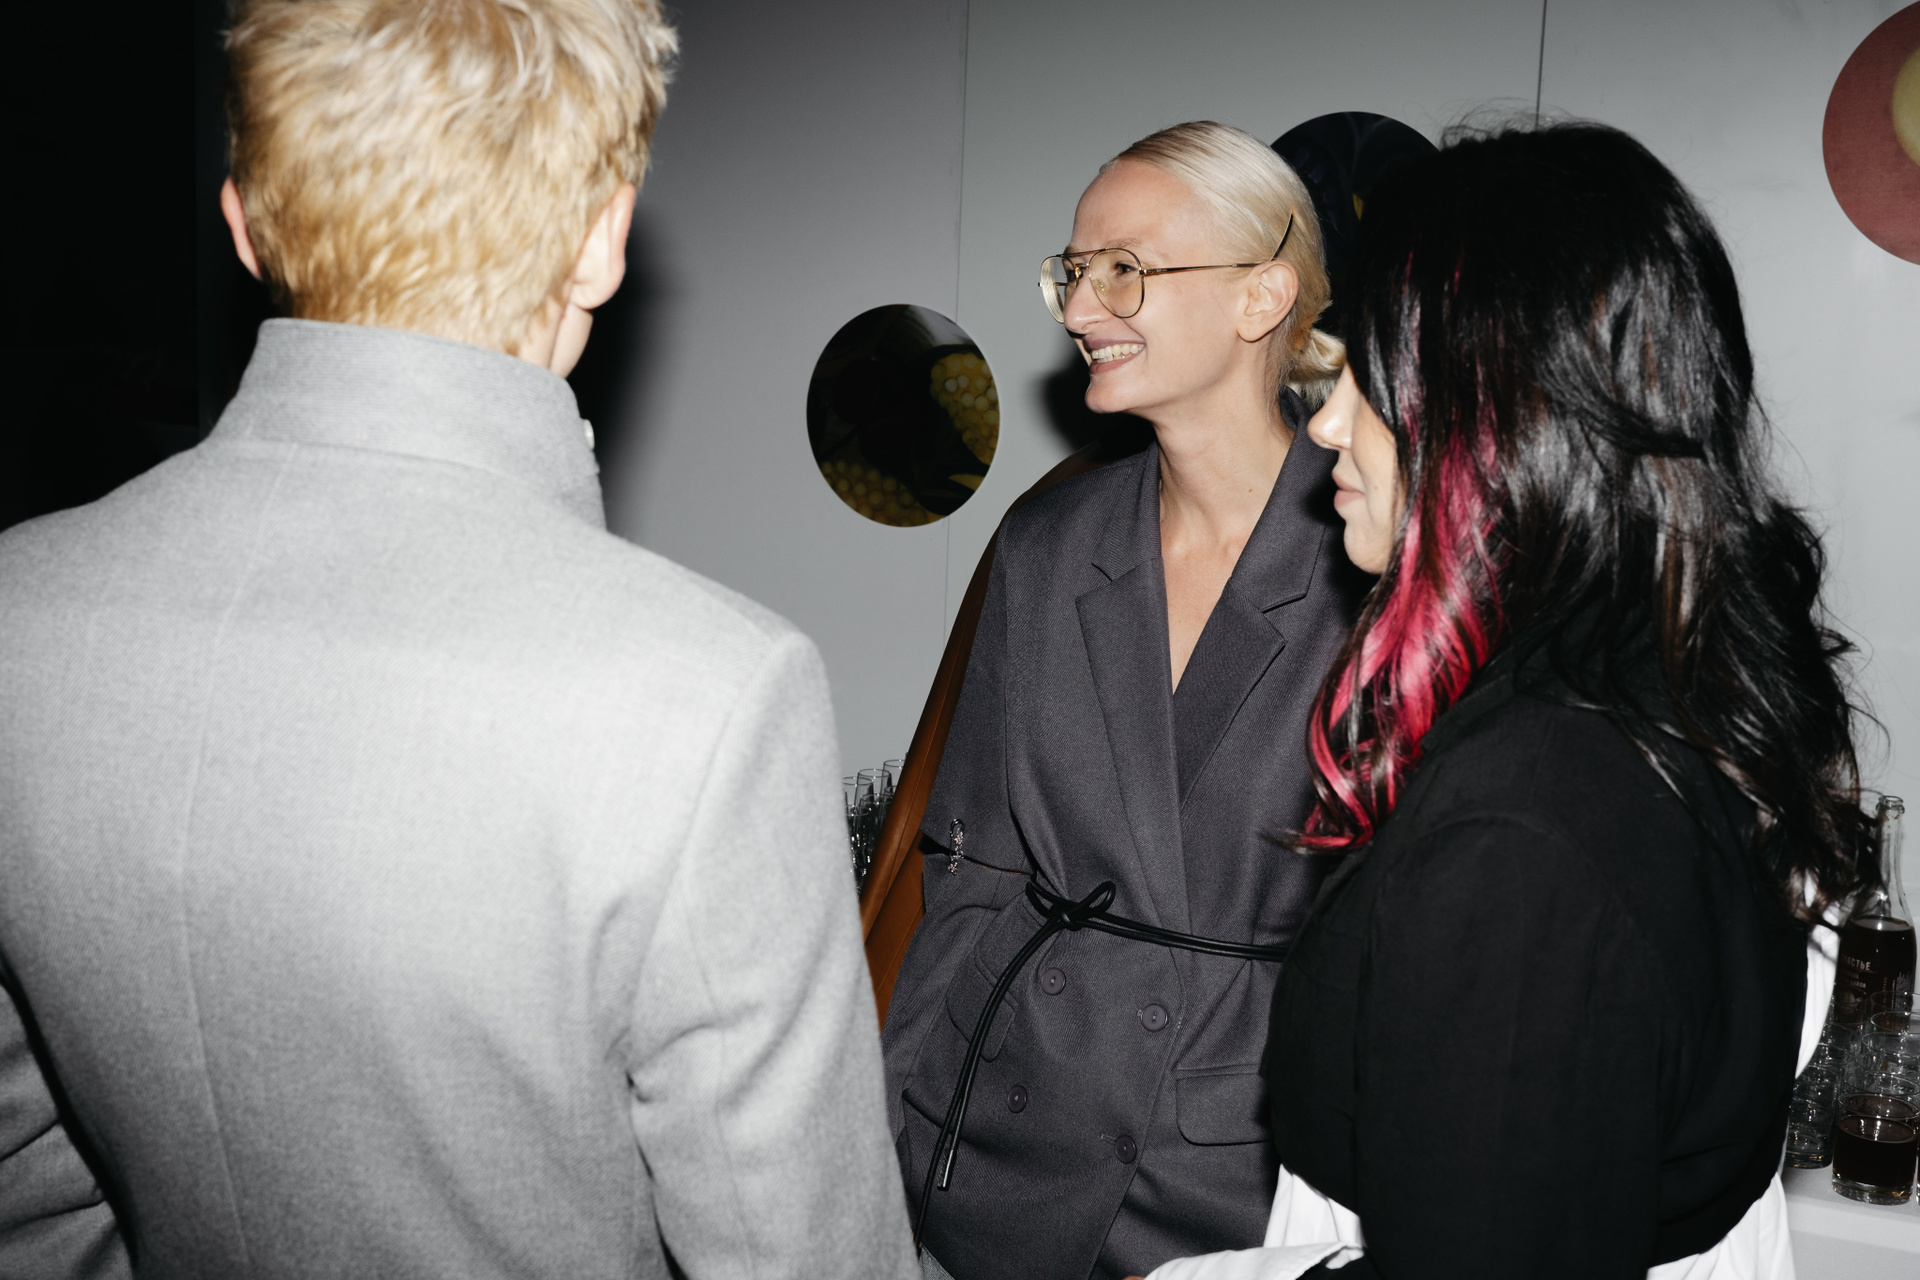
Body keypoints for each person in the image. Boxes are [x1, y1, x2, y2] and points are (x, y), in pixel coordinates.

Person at [0, 3, 916, 1277]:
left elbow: (28, 1192)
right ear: (601, 240)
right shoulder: (708, 694)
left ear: (245, 224)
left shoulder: (20, 610)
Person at [1146, 123, 1870, 1280]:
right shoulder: (1679, 685)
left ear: (1491, 414)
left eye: (1367, 374)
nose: (1325, 422)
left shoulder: (1524, 830)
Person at [880, 121, 1367, 1280]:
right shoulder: (1049, 543)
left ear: (1262, 296)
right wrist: (891, 1125)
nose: (1082, 306)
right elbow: (973, 866)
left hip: (1239, 1173)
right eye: (1074, 270)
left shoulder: (1377, 555)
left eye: (1126, 270)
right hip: (999, 1141)